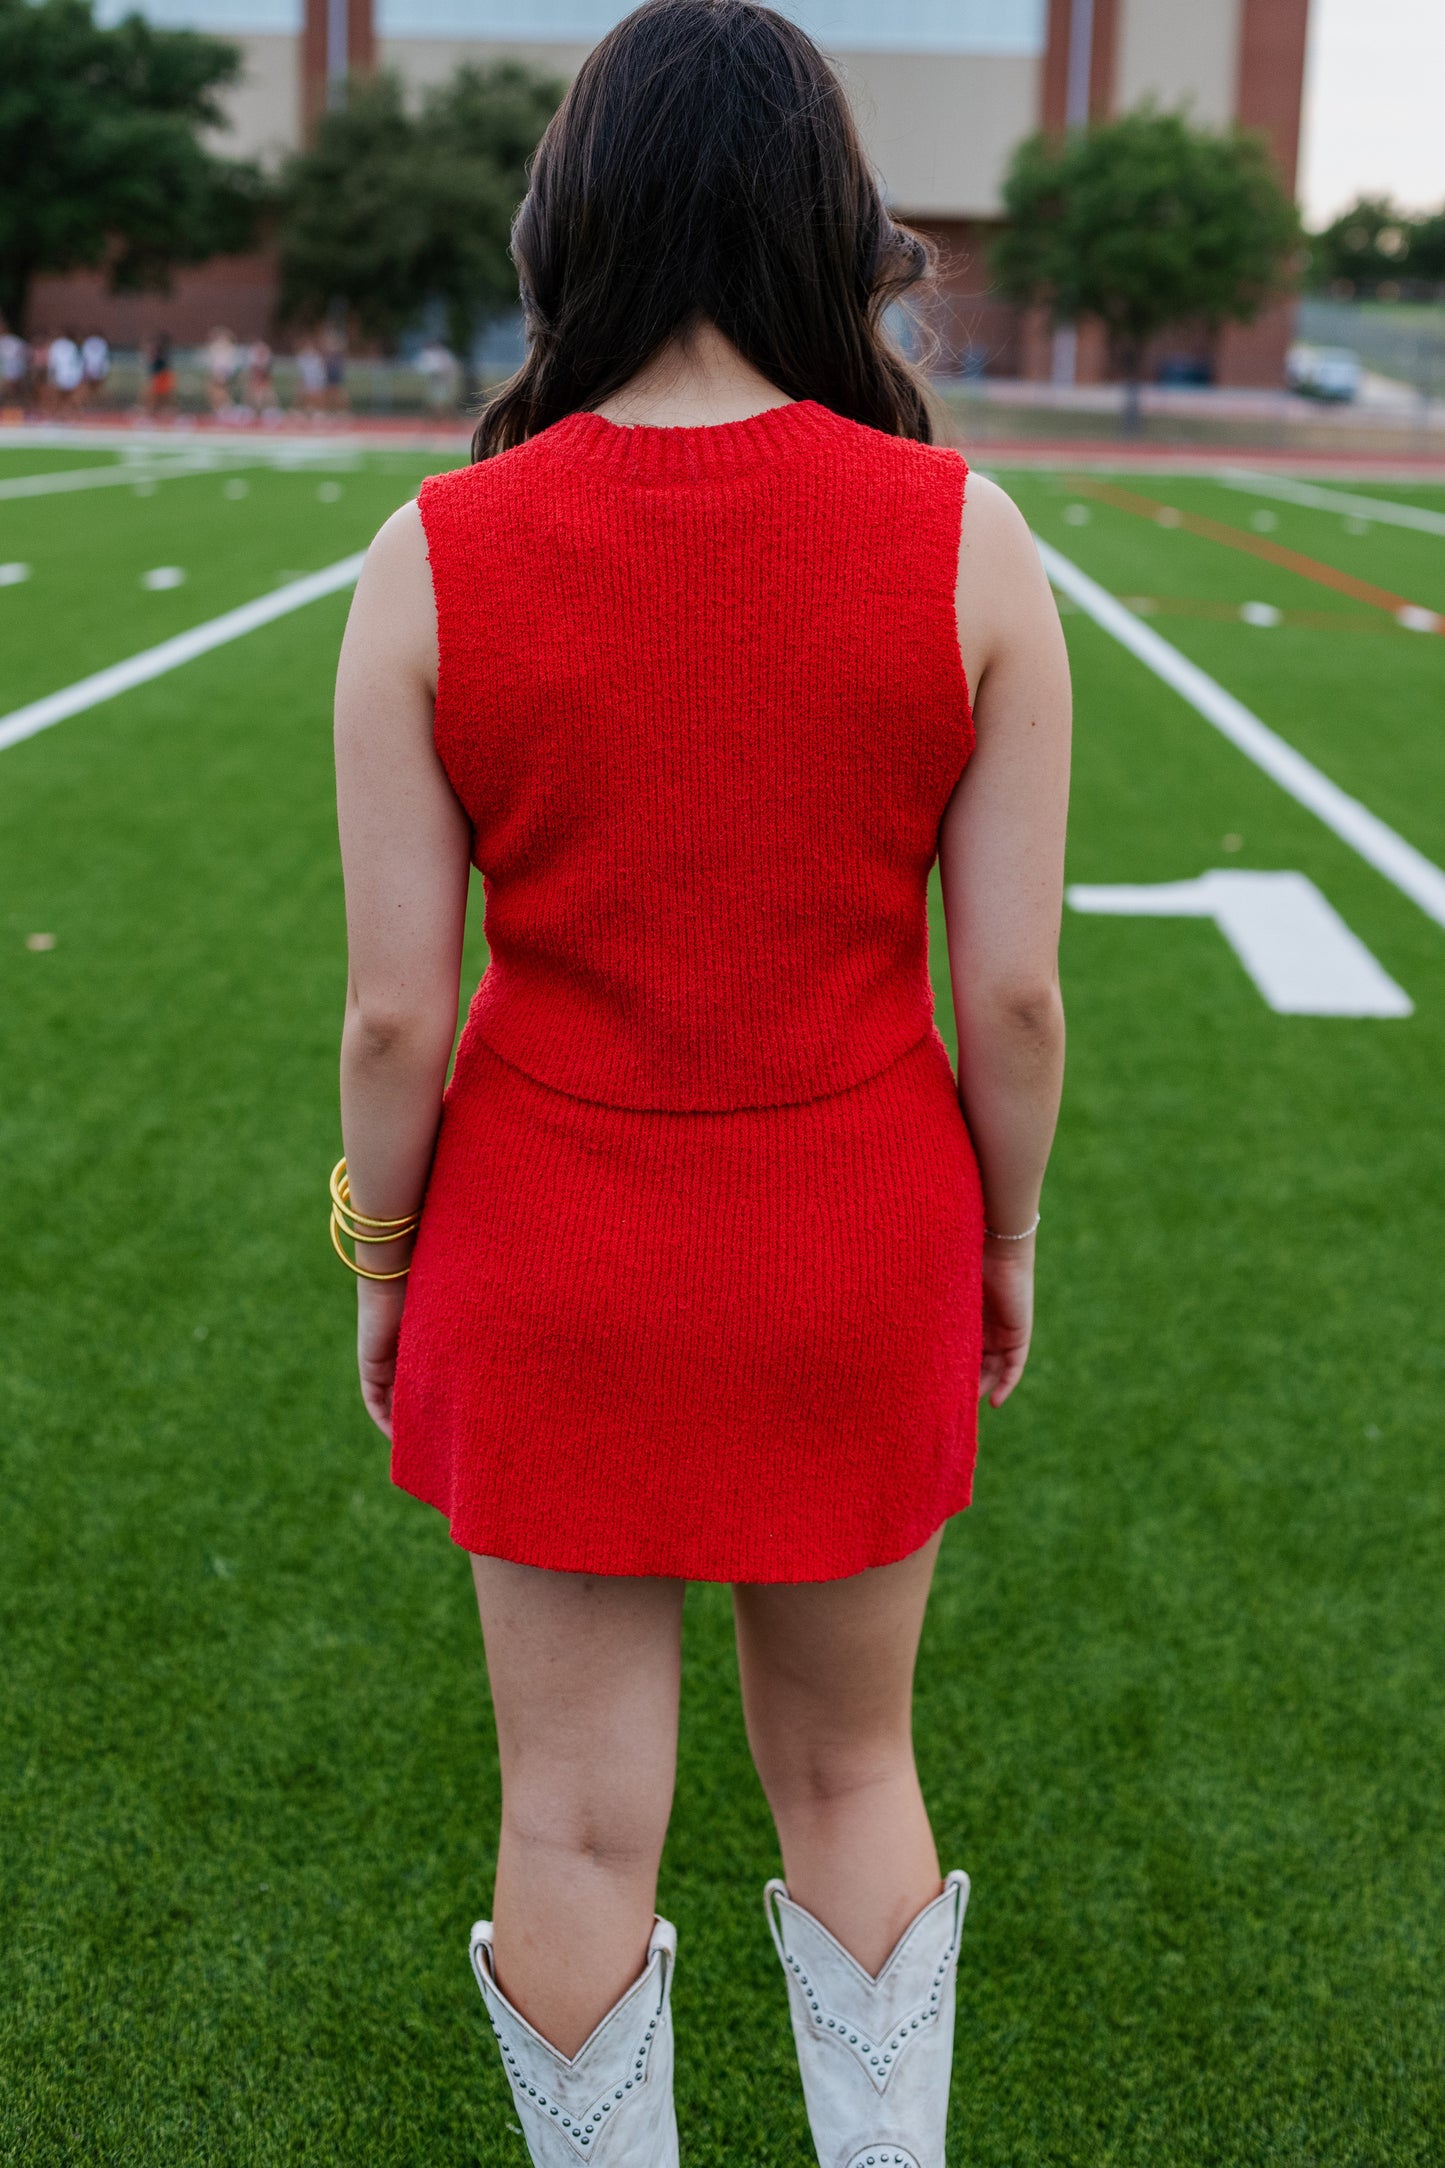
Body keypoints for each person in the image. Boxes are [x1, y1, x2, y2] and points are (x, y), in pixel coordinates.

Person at [330, 3, 1069, 2162]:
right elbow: (1006, 998)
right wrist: (1000, 1234)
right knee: (850, 1772)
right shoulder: (962, 536)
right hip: (856, 1231)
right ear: (831, 228)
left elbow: (393, 1015)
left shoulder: (434, 551)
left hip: (545, 1247)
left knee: (569, 1819)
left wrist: (384, 1251)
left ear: (572, 220)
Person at [80, 329, 111, 408]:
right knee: (97, 389)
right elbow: (104, 357)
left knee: (88, 388)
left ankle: (88, 403)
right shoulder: (101, 342)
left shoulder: (88, 341)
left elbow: (85, 356)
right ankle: (96, 404)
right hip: (98, 368)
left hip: (89, 368)